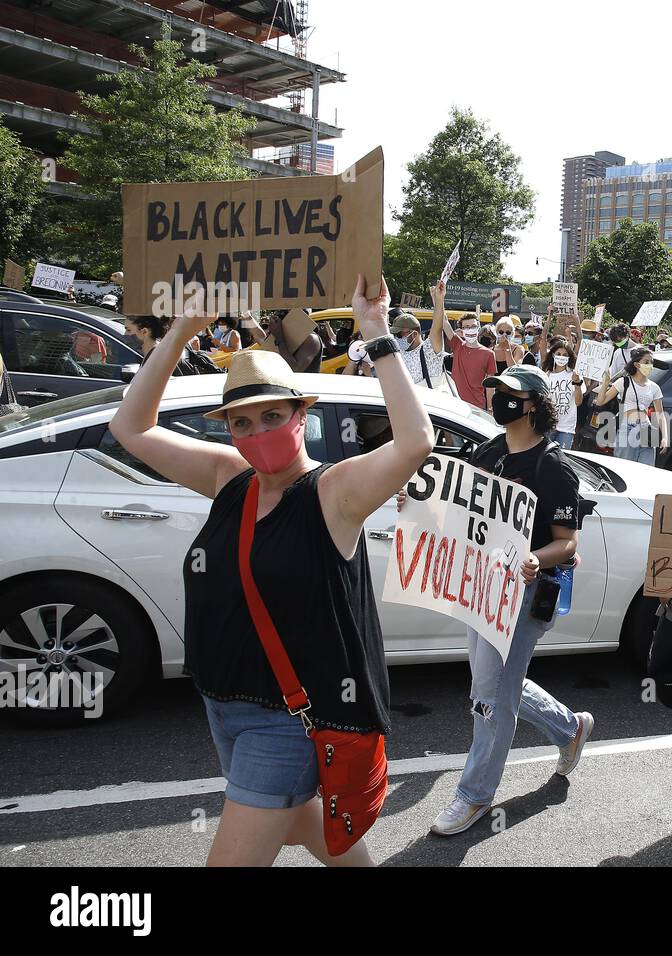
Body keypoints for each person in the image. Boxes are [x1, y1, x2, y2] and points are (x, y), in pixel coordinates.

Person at [108, 276, 435, 865]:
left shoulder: (334, 492)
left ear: (300, 415)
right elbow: (130, 428)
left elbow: (415, 443)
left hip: (288, 720)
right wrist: (181, 331)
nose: (256, 433)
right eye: (241, 422)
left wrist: (377, 330)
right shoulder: (228, 478)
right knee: (298, 823)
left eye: (271, 416)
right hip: (221, 703)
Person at [421, 364, 595, 836]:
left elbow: (568, 542)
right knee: (496, 683)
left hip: (526, 592)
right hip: (484, 587)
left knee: (489, 693)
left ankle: (474, 795)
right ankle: (570, 728)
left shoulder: (553, 467)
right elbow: (459, 510)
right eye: (494, 390)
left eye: (509, 393)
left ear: (534, 403)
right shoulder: (488, 452)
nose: (498, 399)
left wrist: (536, 559)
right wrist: (417, 505)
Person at [596, 345, 667, 466]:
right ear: (637, 364)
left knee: (647, 470)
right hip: (627, 429)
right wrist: (605, 383)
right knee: (624, 469)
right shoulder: (624, 382)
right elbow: (600, 401)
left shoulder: (654, 387)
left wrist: (665, 437)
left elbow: (660, 414)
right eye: (646, 362)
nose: (650, 365)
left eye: (651, 362)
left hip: (647, 430)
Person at [385, 279, 449, 391]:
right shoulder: (400, 352)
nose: (396, 338)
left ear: (414, 334)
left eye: (399, 335)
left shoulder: (429, 350)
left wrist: (439, 300)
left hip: (429, 405)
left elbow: (437, 328)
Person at [443, 309, 497, 410]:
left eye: (473, 326)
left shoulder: (489, 354)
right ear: (461, 331)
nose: (470, 329)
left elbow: (490, 386)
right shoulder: (457, 345)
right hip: (455, 404)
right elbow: (444, 321)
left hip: (477, 406)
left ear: (478, 328)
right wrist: (437, 297)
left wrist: (490, 409)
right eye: (466, 327)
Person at [542, 339, 583, 448]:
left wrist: (577, 383)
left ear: (569, 357)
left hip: (566, 429)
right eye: (558, 354)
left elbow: (578, 402)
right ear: (553, 355)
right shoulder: (546, 376)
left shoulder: (574, 375)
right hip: (548, 425)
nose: (561, 357)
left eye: (565, 355)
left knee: (561, 460)